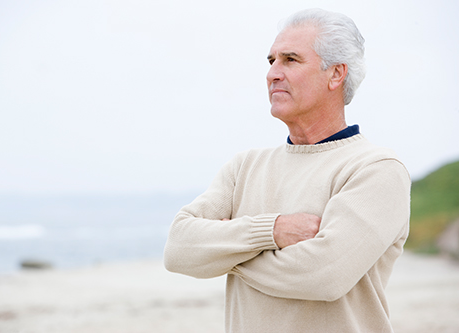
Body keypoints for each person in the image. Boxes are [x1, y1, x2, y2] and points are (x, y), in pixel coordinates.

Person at [164, 8, 410, 333]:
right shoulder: (244, 166)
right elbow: (178, 250)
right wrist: (273, 231)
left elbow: (324, 276)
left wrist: (224, 251)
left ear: (336, 74)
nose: (272, 74)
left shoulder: (376, 169)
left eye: (290, 60)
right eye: (271, 61)